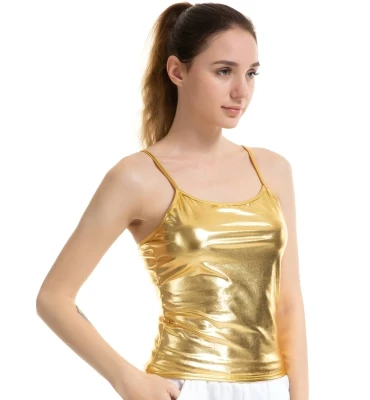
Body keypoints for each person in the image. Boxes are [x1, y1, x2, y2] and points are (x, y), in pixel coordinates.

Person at [36, 2, 309, 399]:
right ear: (177, 71)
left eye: (251, 73)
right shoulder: (137, 177)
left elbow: (288, 303)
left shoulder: (273, 169)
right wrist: (125, 378)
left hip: (271, 387)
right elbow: (53, 298)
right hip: (184, 387)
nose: (242, 90)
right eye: (224, 71)